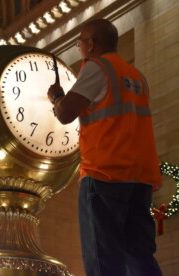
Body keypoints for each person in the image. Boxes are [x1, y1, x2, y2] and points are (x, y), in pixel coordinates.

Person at [47, 19, 163, 276]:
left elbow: (65, 113)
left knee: (103, 259)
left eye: (79, 43)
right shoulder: (136, 76)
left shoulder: (96, 67)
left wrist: (56, 96)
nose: (79, 48)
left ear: (90, 44)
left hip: (104, 174)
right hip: (140, 177)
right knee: (140, 255)